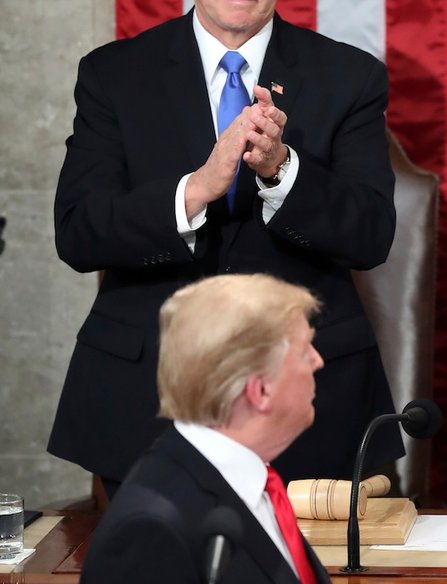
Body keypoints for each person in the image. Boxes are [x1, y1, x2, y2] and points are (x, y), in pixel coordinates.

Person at [49, 0, 404, 498]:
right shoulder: (114, 72)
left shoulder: (350, 75)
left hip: (311, 403)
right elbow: (79, 231)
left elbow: (370, 235)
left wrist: (282, 170)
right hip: (145, 399)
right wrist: (195, 189)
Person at [81, 274, 331, 583]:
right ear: (260, 390)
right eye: (305, 350)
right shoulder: (150, 530)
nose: (318, 361)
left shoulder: (258, 484)